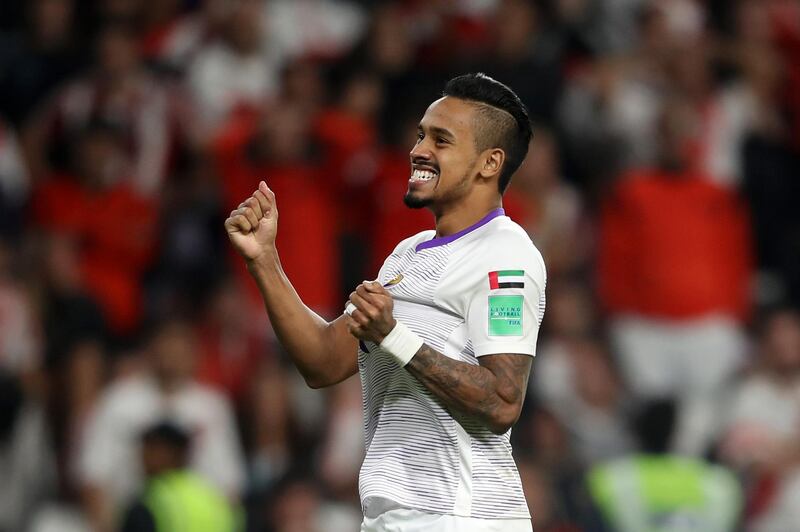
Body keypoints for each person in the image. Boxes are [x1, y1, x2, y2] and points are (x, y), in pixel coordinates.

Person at [225, 73, 546, 531]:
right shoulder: (407, 253)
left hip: (460, 515)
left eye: (441, 139)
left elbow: (502, 401)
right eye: (420, 135)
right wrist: (265, 262)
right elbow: (322, 361)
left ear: (489, 163)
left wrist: (394, 336)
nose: (418, 150)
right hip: (394, 516)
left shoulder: (506, 256)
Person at [119, 421, 239, 532]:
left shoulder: (152, 498)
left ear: (175, 453)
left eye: (152, 448)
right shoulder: (212, 494)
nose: (143, 456)